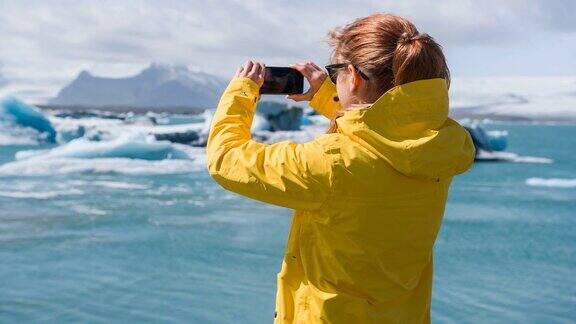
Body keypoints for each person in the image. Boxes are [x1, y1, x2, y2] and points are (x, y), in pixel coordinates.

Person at [206, 13, 475, 324]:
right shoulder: (437, 148)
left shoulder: (331, 164)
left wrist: (241, 93)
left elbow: (226, 159)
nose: (332, 80)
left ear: (355, 77)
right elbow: (383, 136)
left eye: (336, 73)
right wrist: (329, 96)